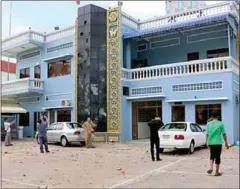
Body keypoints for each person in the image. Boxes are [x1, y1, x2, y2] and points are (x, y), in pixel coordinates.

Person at [206, 111, 229, 176]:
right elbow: (224, 134)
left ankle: (211, 168)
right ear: (218, 117)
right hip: (218, 142)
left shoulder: (208, 124)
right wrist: (226, 143)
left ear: (212, 116)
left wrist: (206, 142)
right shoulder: (221, 124)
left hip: (210, 142)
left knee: (212, 155)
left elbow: (207, 134)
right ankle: (217, 172)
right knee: (217, 156)